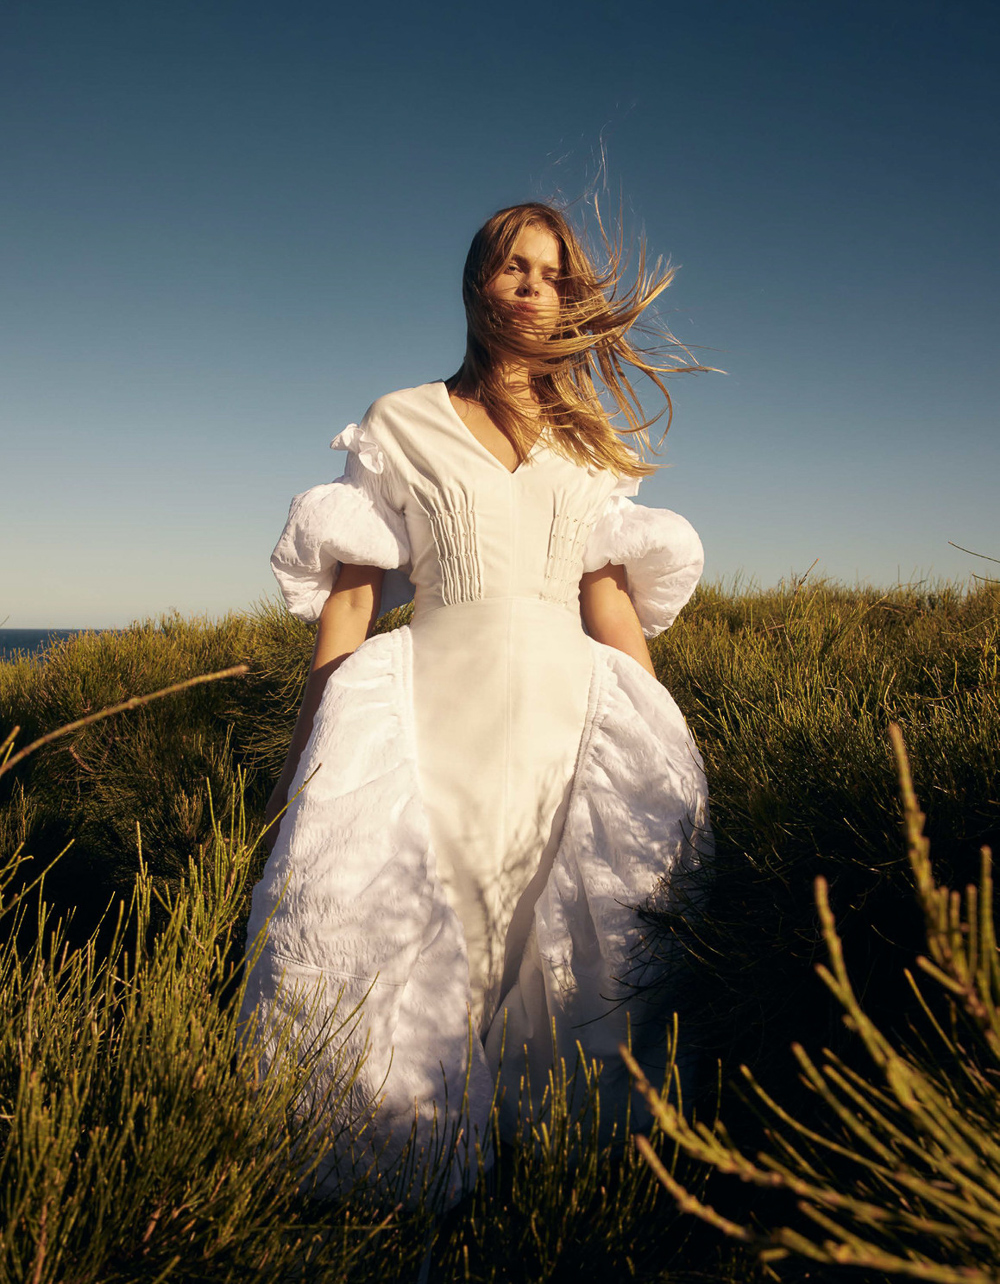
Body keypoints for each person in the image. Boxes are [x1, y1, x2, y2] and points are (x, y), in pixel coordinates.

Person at [240, 201, 711, 1203]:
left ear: (568, 294)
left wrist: (668, 755)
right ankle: (411, 1199)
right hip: (430, 723)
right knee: (416, 944)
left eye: (550, 270)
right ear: (475, 285)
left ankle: (548, 1203)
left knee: (565, 962)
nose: (532, 285)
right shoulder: (400, 417)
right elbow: (356, 598)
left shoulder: (589, 440)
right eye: (512, 267)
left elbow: (609, 600)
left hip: (562, 725)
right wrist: (304, 756)